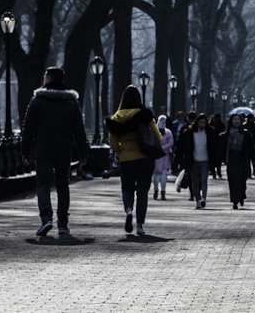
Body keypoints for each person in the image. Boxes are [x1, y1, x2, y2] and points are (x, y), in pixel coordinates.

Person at [20, 67, 89, 237]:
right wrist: (83, 154)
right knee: (62, 186)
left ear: (49, 78)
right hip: (64, 150)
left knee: (42, 184)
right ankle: (63, 224)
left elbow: (27, 128)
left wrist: (25, 151)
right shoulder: (71, 103)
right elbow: (79, 130)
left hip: (43, 149)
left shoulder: (37, 101)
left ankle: (46, 218)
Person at [106, 85, 163, 236]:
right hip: (145, 159)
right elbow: (158, 136)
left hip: (126, 159)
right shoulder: (145, 115)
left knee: (127, 188)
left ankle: (129, 211)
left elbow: (112, 140)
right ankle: (140, 226)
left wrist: (121, 151)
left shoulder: (117, 117)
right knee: (143, 193)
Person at [175, 113, 219, 209]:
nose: (202, 124)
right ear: (196, 123)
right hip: (193, 160)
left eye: (204, 123)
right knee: (195, 182)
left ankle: (203, 198)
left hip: (205, 160)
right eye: (200, 122)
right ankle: (197, 200)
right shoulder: (189, 132)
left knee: (204, 180)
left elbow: (214, 146)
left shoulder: (210, 132)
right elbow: (184, 147)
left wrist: (214, 159)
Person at [220, 113, 255, 209]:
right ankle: (235, 201)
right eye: (234, 119)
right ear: (231, 121)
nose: (236, 121)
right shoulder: (226, 134)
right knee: (233, 181)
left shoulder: (246, 133)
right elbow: (221, 148)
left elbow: (251, 148)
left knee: (242, 180)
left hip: (242, 159)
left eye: (238, 119)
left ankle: (241, 196)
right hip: (231, 158)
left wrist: (254, 159)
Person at [153, 114, 175, 200]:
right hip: (156, 156)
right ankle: (156, 190)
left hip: (165, 156)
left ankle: (163, 192)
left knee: (163, 176)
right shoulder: (154, 132)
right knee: (155, 177)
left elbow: (171, 143)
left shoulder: (168, 132)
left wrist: (163, 148)